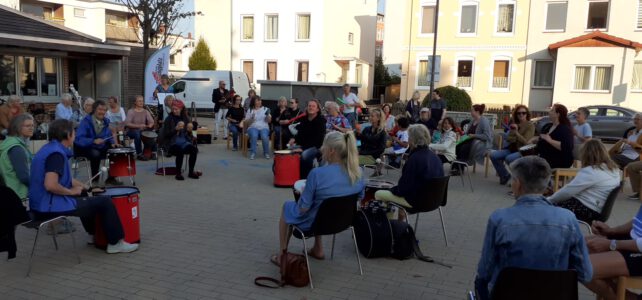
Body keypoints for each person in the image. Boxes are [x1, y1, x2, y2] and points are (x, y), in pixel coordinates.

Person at [474, 156, 592, 300]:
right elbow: (585, 274)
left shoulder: (500, 219)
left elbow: (485, 271)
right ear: (547, 184)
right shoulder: (568, 219)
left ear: (517, 184)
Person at [28, 119, 139, 254]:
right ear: (67, 135)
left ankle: (94, 235)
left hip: (40, 203)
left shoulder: (49, 148)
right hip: (48, 205)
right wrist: (70, 191)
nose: (75, 135)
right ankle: (116, 243)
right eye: (74, 132)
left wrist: (87, 188)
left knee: (83, 194)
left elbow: (66, 178)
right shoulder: (56, 155)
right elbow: (50, 185)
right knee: (105, 202)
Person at [273, 131, 364, 263]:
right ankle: (318, 249)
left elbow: (303, 208)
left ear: (331, 151)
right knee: (320, 205)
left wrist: (303, 194)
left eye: (323, 146)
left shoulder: (317, 173)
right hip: (343, 222)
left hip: (315, 223)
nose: (321, 149)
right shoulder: (358, 172)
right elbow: (359, 196)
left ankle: (282, 255)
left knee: (288, 206)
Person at [375, 124, 444, 220]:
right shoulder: (435, 157)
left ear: (413, 140)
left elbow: (404, 189)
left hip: (417, 201)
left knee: (379, 194)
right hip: (435, 200)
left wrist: (392, 190)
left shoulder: (414, 158)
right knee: (400, 193)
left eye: (409, 137)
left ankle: (389, 227)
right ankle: (399, 223)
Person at [547, 140, 620, 223]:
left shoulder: (591, 171)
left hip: (586, 210)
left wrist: (548, 200)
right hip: (597, 210)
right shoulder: (614, 170)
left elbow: (567, 192)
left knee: (545, 208)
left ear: (586, 154)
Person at [584, 207, 642, 300]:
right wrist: (612, 231)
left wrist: (612, 244)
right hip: (633, 240)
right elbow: (637, 221)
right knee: (577, 248)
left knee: (583, 267)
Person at [74, 100, 120, 184]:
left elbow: (108, 135)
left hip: (100, 147)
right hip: (86, 147)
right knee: (95, 154)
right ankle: (95, 179)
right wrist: (93, 141)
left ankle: (111, 177)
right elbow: (78, 139)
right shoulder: (85, 122)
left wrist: (113, 143)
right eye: (100, 109)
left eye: (104, 110)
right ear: (94, 109)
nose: (102, 112)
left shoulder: (106, 121)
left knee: (115, 151)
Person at [489, 105, 535, 185]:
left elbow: (526, 142)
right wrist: (515, 137)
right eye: (519, 113)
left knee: (509, 158)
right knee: (493, 155)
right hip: (511, 149)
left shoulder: (530, 126)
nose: (521, 115)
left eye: (523, 113)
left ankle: (519, 180)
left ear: (527, 114)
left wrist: (516, 133)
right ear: (516, 115)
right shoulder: (515, 124)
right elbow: (508, 138)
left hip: (522, 151)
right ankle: (505, 175)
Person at [288, 99, 327, 179]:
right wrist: (294, 139)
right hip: (303, 146)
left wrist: (302, 149)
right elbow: (300, 133)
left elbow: (318, 141)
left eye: (313, 106)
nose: (311, 108)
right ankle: (292, 175)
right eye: (309, 106)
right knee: (288, 152)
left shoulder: (321, 121)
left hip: (317, 147)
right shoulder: (304, 119)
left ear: (317, 109)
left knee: (305, 155)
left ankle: (306, 178)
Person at [160, 100, 199, 180]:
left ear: (181, 109)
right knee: (180, 151)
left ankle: (191, 172)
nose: (174, 111)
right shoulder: (169, 119)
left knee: (194, 150)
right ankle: (178, 174)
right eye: (173, 109)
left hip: (184, 142)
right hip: (171, 143)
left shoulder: (185, 118)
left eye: (176, 109)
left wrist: (190, 131)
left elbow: (189, 134)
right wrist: (175, 129)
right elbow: (166, 135)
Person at [528, 103, 574, 169]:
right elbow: (543, 137)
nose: (549, 112)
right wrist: (534, 139)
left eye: (552, 110)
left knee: (526, 166)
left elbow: (567, 147)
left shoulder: (565, 129)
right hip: (544, 157)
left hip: (558, 160)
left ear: (557, 114)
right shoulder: (548, 126)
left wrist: (550, 140)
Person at [0, 114, 34, 201]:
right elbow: (24, 177)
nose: (31, 128)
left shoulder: (10, 143)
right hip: (19, 194)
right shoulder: (16, 148)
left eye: (32, 125)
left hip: (11, 193)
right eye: (27, 126)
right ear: (17, 127)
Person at [125, 95, 155, 161]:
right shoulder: (131, 111)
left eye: (142, 101)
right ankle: (139, 154)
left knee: (152, 133)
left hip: (141, 131)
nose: (141, 102)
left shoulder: (145, 111)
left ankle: (151, 152)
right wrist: (139, 126)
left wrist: (150, 124)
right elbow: (127, 124)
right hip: (131, 131)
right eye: (139, 101)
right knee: (137, 133)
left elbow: (151, 121)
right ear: (135, 102)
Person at [358, 108, 386, 174]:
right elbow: (360, 141)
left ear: (378, 118)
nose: (370, 117)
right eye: (370, 115)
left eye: (372, 116)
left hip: (373, 157)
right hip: (363, 154)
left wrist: (365, 153)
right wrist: (358, 148)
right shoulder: (366, 129)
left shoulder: (382, 132)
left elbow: (381, 149)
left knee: (351, 160)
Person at [246, 95, 271, 160]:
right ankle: (253, 152)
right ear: (254, 102)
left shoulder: (266, 109)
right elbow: (247, 123)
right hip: (253, 127)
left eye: (260, 100)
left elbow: (269, 121)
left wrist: (267, 116)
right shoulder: (250, 110)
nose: (259, 102)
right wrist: (252, 118)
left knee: (264, 136)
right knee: (254, 136)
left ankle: (266, 152)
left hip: (264, 127)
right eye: (257, 101)